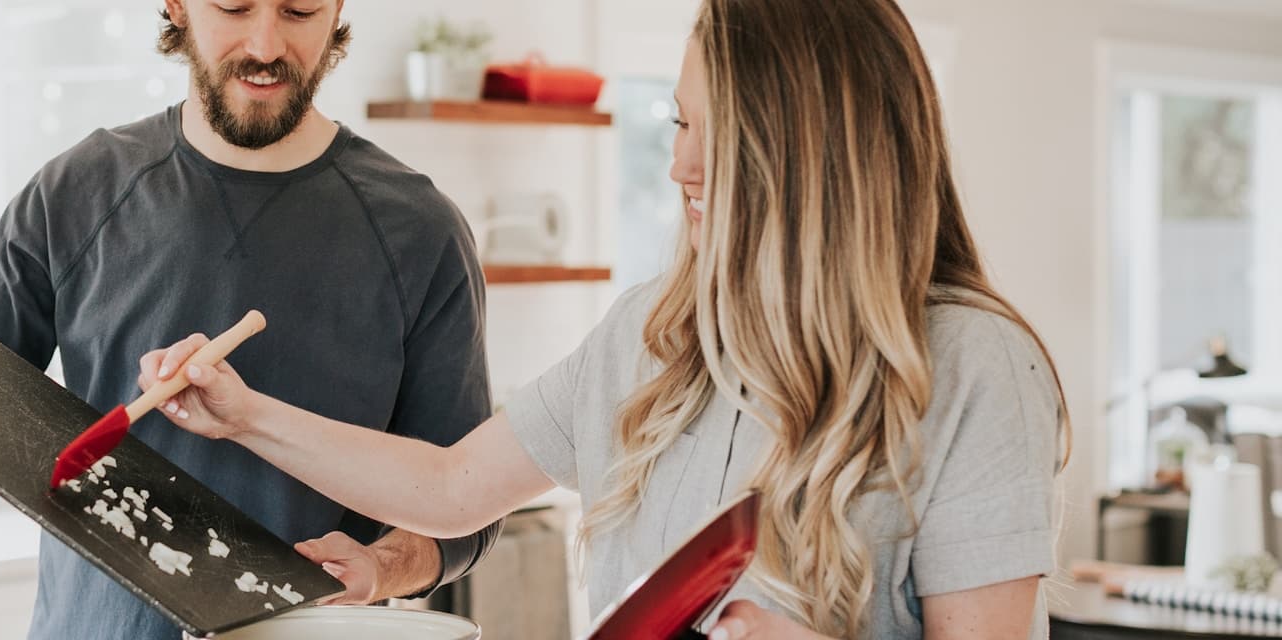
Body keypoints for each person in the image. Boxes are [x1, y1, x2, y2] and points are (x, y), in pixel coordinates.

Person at [135, 0, 1072, 637]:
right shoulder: (653, 336)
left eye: (716, 134)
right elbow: (455, 486)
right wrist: (241, 412)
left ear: (810, 154)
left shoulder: (971, 367)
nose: (681, 168)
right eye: (677, 124)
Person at [0, 1, 501, 638]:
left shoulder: (421, 232)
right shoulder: (75, 192)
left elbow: (466, 506)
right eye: (233, 5)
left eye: (300, 10)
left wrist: (381, 566)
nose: (265, 43)